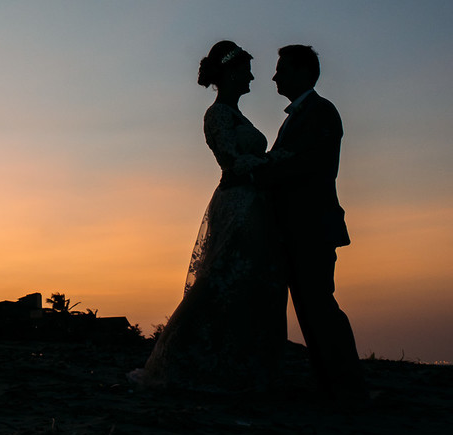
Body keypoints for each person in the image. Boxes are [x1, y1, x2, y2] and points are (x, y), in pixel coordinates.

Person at [129, 40, 287, 392]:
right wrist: (275, 161)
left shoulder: (236, 115)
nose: (251, 77)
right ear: (231, 73)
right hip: (237, 205)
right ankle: (183, 358)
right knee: (221, 280)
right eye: (246, 70)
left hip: (254, 204)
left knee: (248, 284)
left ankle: (240, 363)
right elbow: (231, 161)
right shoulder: (216, 115)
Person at [257, 44, 366, 400]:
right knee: (309, 307)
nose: (275, 76)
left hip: (312, 226)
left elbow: (308, 166)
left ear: (303, 72)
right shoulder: (299, 115)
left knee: (319, 304)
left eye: (282, 69)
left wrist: (262, 173)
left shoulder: (321, 112)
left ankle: (347, 386)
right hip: (295, 228)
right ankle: (332, 384)